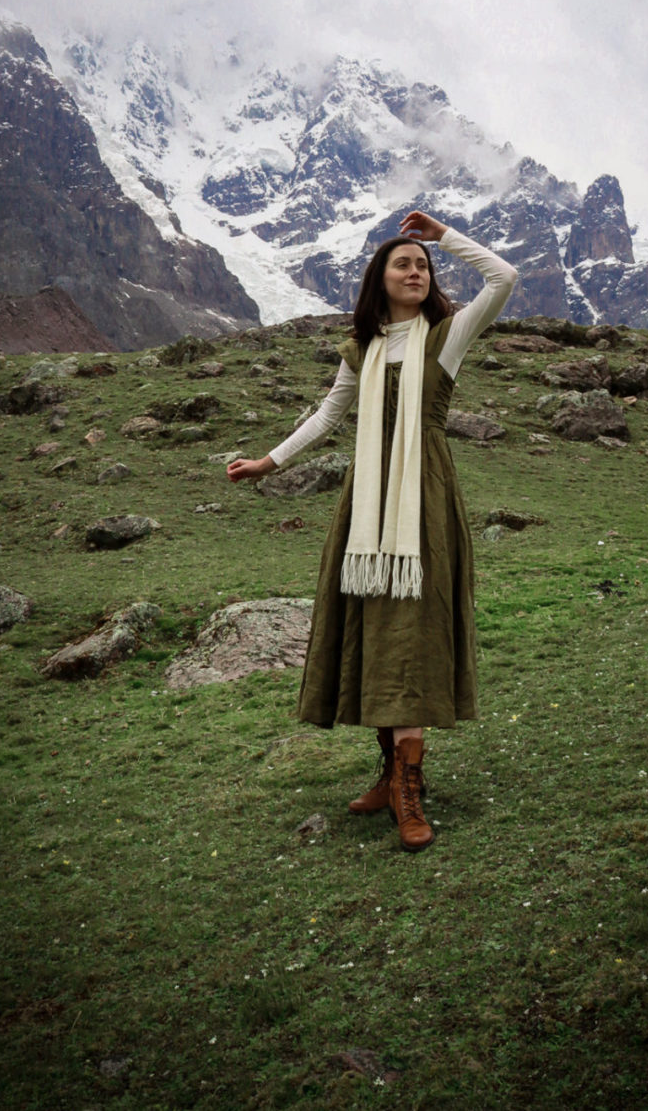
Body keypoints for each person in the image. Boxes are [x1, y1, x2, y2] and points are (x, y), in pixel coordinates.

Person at [227, 210, 517, 851]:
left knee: (411, 629)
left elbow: (503, 278)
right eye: (403, 263)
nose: (415, 272)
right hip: (367, 501)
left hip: (423, 498)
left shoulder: (448, 335)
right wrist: (268, 462)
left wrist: (443, 237)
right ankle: (390, 774)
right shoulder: (360, 347)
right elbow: (330, 415)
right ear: (379, 279)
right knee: (374, 626)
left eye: (423, 266)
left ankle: (410, 787)